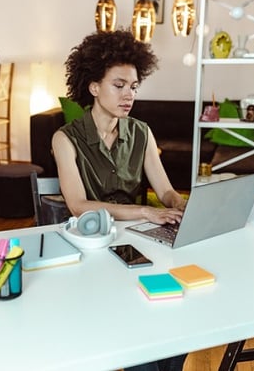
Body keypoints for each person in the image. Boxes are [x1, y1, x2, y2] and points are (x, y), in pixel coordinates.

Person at [51, 29, 188, 371]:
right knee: (142, 337)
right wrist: (143, 211)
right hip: (93, 247)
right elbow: (78, 206)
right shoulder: (65, 139)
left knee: (180, 322)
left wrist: (184, 203)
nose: (130, 94)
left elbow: (166, 192)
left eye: (134, 86)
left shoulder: (140, 132)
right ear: (94, 87)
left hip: (138, 242)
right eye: (119, 85)